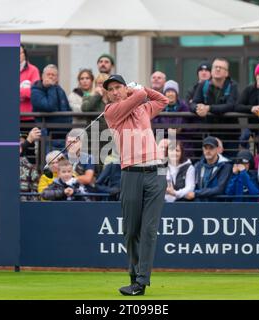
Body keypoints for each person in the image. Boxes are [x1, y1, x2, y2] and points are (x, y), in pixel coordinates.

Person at [103, 74, 168, 296]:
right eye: (110, 89)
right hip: (131, 173)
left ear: (124, 88)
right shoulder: (111, 112)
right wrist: (136, 90)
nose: (114, 91)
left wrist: (145, 88)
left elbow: (162, 100)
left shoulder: (142, 110)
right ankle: (133, 275)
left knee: (149, 230)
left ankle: (141, 282)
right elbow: (138, 96)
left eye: (118, 87)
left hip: (156, 172)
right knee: (131, 231)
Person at [31, 64, 72, 149]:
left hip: (63, 136)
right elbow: (50, 107)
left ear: (57, 78)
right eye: (48, 74)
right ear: (42, 76)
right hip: (47, 136)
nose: (50, 77)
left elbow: (68, 109)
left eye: (53, 75)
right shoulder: (36, 91)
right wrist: (51, 87)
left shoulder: (60, 89)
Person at [185, 136, 232, 202]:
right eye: (206, 148)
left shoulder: (225, 165)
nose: (208, 151)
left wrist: (196, 193)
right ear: (203, 149)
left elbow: (220, 189)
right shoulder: (198, 165)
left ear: (217, 149)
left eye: (211, 148)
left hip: (217, 207)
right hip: (198, 206)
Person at [152, 80, 191, 155]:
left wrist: (181, 128)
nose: (170, 94)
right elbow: (155, 124)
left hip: (181, 140)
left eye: (173, 92)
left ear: (176, 94)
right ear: (164, 94)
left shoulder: (184, 107)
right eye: (168, 91)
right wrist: (166, 128)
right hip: (163, 139)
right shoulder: (159, 106)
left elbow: (191, 124)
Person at [19, 44, 40, 122]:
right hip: (9, 116)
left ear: (24, 54)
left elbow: (34, 92)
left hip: (28, 117)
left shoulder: (33, 70)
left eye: (19, 53)